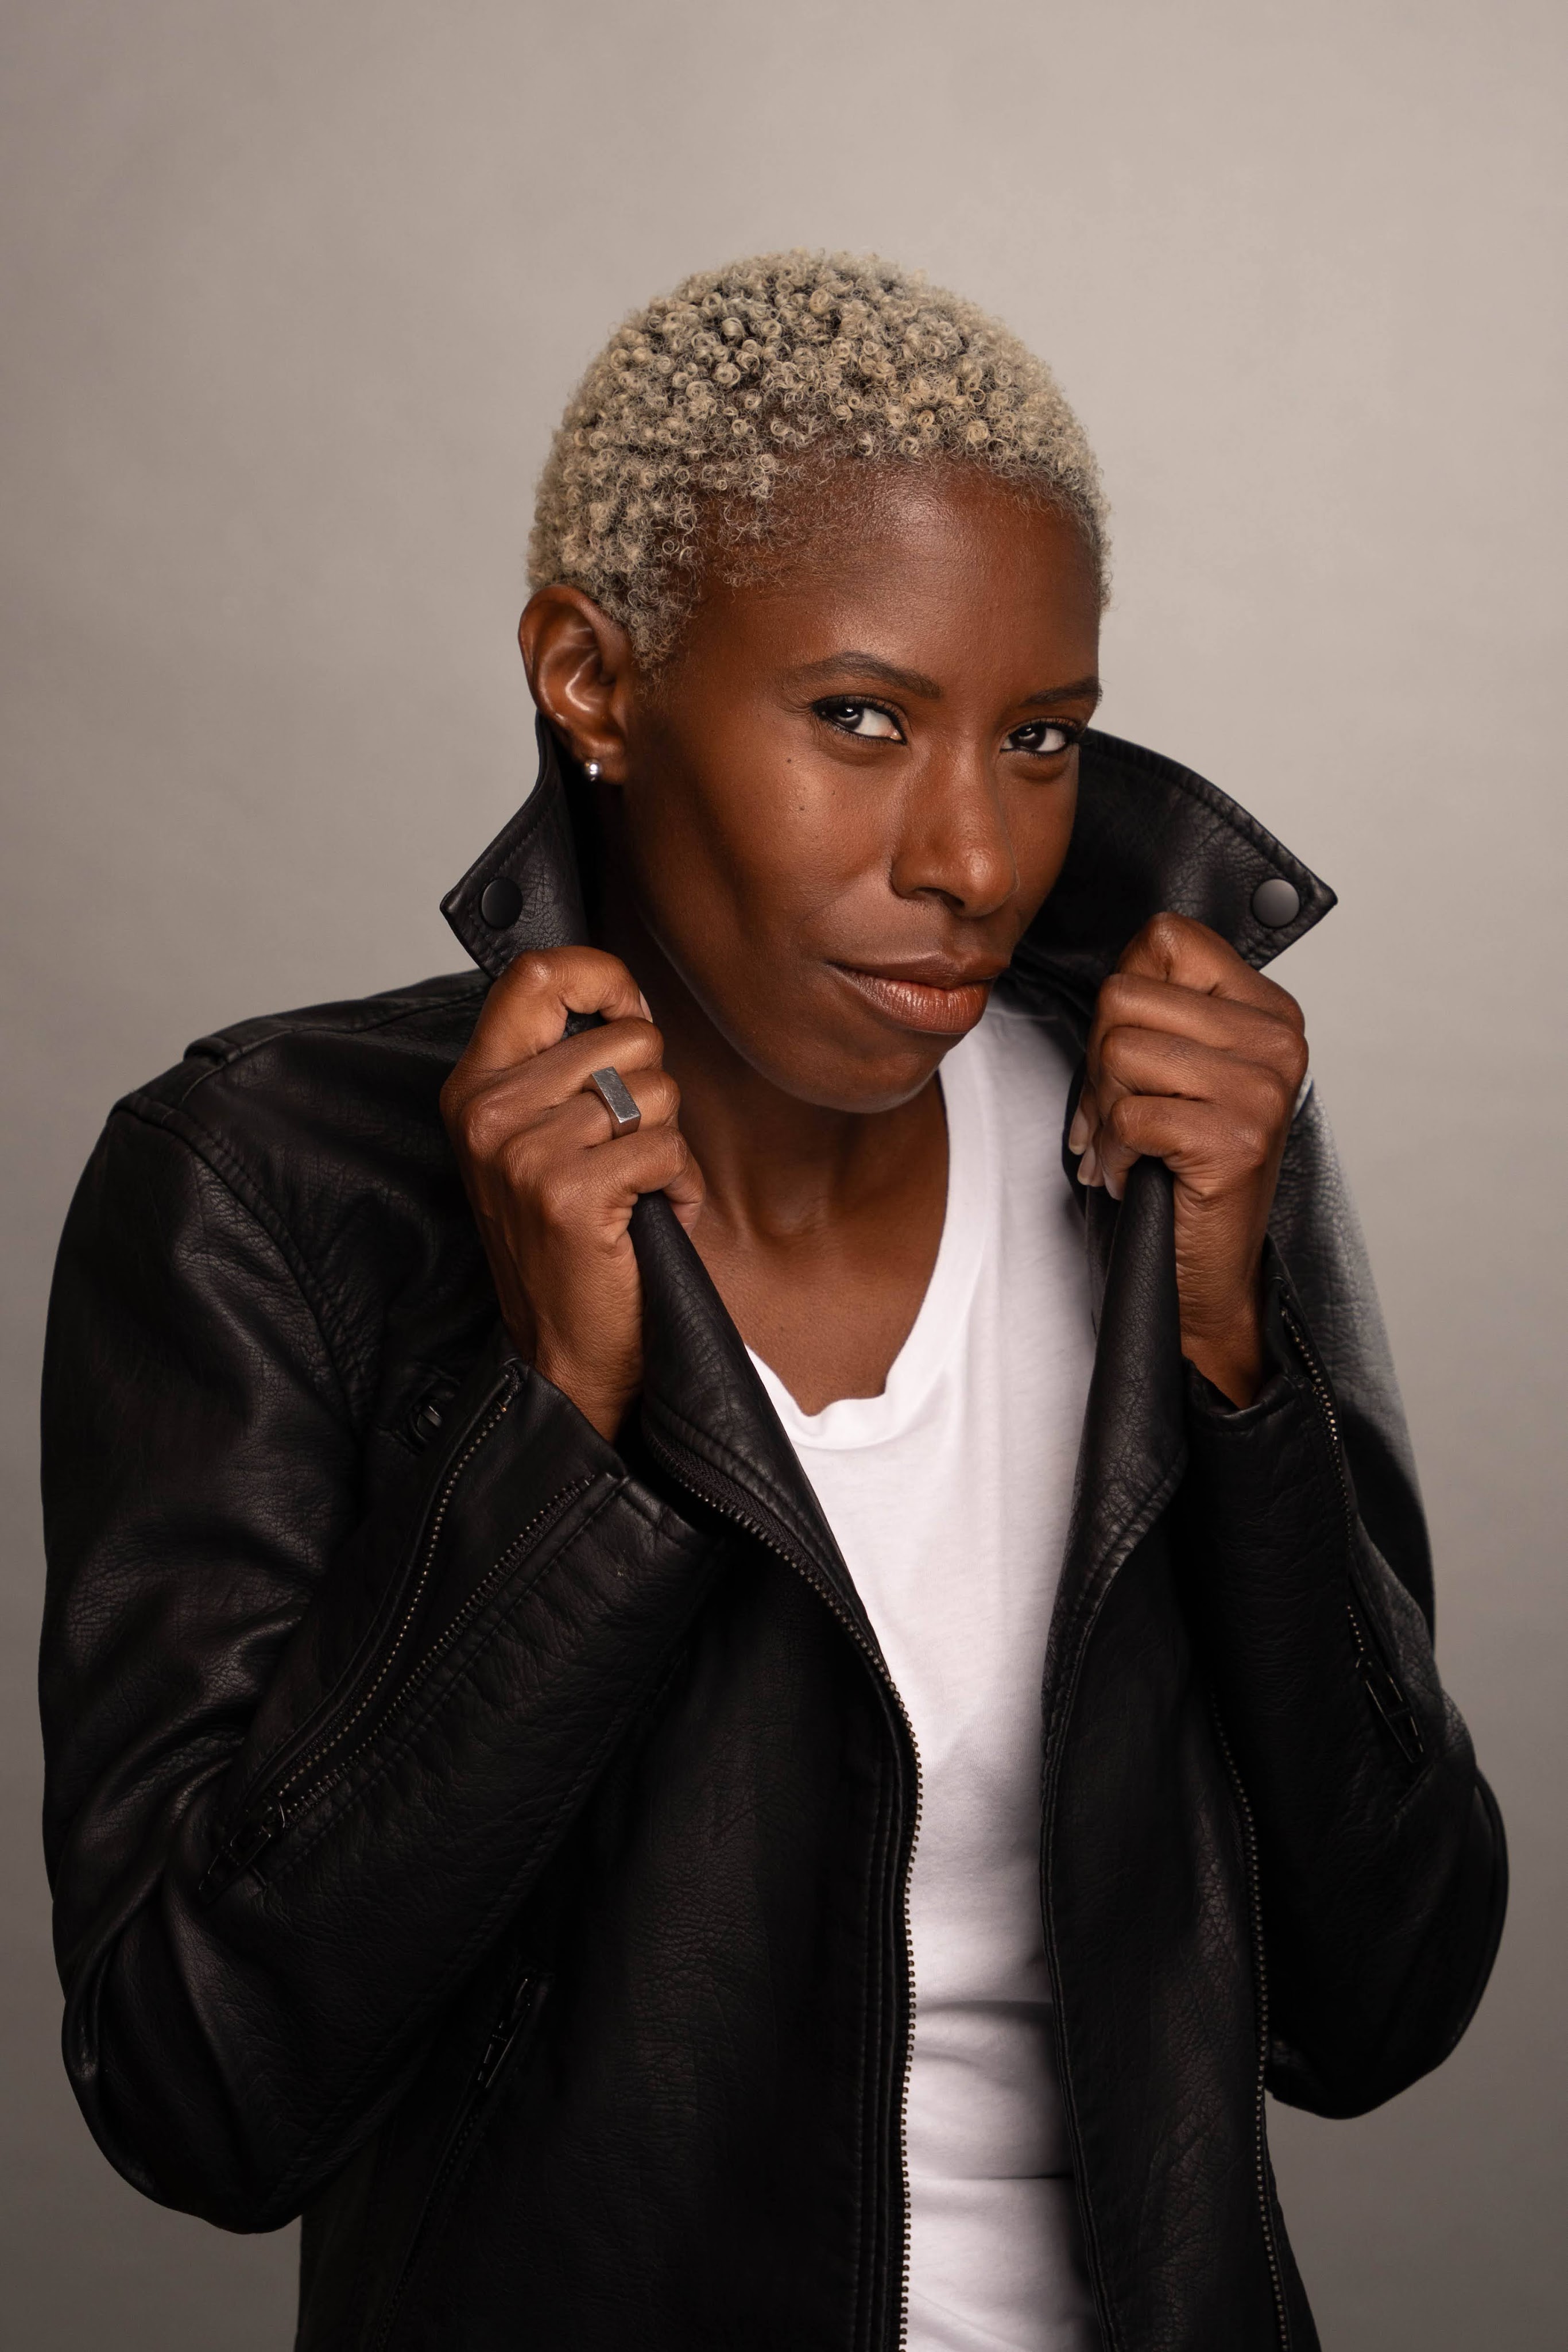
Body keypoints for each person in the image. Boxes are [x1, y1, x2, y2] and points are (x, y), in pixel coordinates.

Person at [40, 251, 1504, 2352]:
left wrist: (1232, 1379)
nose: (972, 859)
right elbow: (200, 2092)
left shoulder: (1173, 1149)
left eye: (1039, 739)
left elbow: (1386, 2000)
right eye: (859, 719)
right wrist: (555, 1423)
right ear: (592, 678)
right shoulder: (271, 1191)